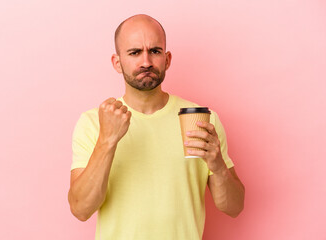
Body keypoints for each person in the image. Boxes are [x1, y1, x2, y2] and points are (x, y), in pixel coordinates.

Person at [68, 14, 245, 240]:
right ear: (117, 62)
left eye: (155, 51)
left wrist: (219, 167)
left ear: (167, 59)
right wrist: (107, 140)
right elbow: (81, 209)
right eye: (134, 52)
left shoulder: (201, 120)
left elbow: (235, 207)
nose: (146, 62)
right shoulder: (93, 123)